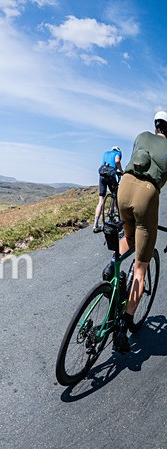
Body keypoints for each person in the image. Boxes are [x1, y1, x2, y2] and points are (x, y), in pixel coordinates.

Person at [109, 111, 167, 351]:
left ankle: (112, 271)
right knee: (140, 269)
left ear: (155, 127)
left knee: (129, 235)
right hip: (146, 194)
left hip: (124, 187)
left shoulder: (142, 136)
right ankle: (123, 328)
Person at [93, 145, 124, 232]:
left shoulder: (106, 153)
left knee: (101, 201)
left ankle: (95, 225)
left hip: (102, 174)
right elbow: (117, 161)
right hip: (110, 175)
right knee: (115, 194)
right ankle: (113, 214)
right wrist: (121, 171)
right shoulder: (118, 153)